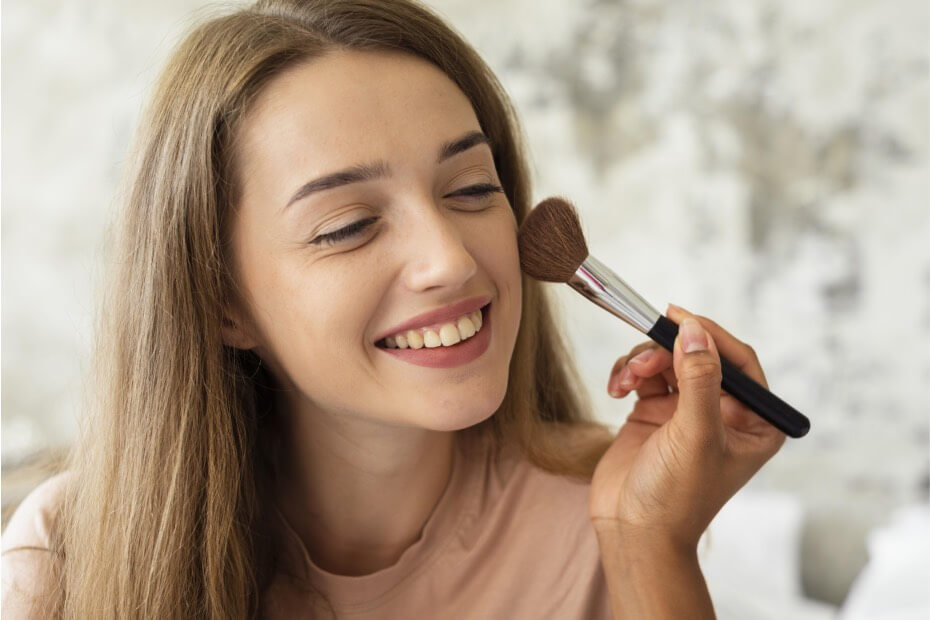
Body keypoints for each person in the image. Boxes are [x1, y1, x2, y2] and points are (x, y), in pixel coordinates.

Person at [1, 0, 785, 617]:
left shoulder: (609, 512)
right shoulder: (73, 553)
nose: (450, 258)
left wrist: (649, 545)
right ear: (220, 303)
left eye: (474, 189)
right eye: (347, 226)